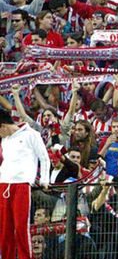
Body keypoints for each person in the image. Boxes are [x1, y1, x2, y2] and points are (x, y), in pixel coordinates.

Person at [0, 108, 50, 259]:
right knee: (4, 229)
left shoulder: (31, 135)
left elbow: (44, 157)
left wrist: (44, 179)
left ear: (3, 126)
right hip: (4, 184)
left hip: (22, 185)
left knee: (21, 227)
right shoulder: (5, 141)